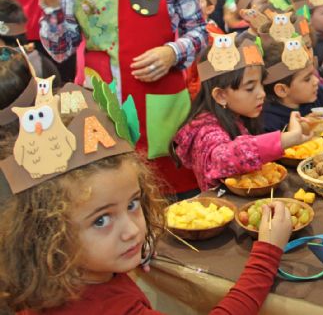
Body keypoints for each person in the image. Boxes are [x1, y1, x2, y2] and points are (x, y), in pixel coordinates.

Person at [0, 84, 293, 314]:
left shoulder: (63, 279)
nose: (132, 231)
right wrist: (267, 252)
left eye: (132, 204)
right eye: (101, 220)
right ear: (49, 234)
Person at [22, 0, 208, 198]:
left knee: (172, 201)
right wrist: (49, 0)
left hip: (163, 109)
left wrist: (172, 52)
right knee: (114, 200)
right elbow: (62, 48)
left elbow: (198, 33)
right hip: (100, 110)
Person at [173, 39, 310, 192]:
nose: (262, 94)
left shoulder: (236, 115)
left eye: (261, 84)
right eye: (250, 88)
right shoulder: (206, 131)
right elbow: (224, 157)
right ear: (220, 96)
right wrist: (286, 138)